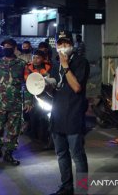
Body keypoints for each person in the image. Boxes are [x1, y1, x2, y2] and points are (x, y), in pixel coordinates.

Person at [50, 31, 90, 195]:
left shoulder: (81, 62)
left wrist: (66, 65)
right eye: (60, 43)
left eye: (66, 43)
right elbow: (55, 90)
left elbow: (76, 87)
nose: (63, 46)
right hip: (57, 115)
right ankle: (66, 187)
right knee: (61, 154)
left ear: (72, 45)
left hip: (73, 116)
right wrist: (45, 86)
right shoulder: (55, 64)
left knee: (78, 157)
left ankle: (82, 190)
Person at [0, 38, 33, 166]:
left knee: (13, 130)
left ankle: (9, 153)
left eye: (9, 46)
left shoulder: (22, 64)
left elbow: (28, 84)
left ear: (15, 48)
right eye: (4, 46)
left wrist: (28, 100)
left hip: (15, 104)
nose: (7, 48)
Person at [23, 49, 52, 139]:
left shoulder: (49, 68)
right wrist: (28, 101)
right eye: (33, 57)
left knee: (46, 116)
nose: (35, 60)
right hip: (32, 96)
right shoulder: (28, 68)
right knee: (32, 115)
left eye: (38, 58)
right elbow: (27, 83)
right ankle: (32, 132)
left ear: (43, 59)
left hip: (46, 96)